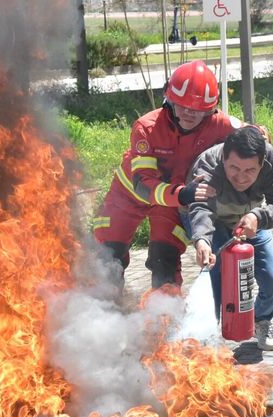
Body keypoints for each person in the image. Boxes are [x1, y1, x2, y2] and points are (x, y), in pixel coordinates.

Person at [92, 60, 239, 291]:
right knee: (107, 256)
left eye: (198, 110)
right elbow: (143, 185)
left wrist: (261, 136)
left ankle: (164, 321)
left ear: (210, 109)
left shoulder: (217, 123)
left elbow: (253, 136)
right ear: (168, 99)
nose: (190, 114)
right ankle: (106, 318)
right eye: (183, 107)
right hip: (129, 197)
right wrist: (182, 195)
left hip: (170, 202)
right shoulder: (146, 128)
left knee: (165, 261)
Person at [185, 127, 273, 351]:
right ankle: (204, 340)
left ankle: (260, 320)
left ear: (262, 164)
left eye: (249, 170)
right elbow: (200, 208)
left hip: (250, 221)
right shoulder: (207, 165)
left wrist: (258, 216)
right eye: (234, 168)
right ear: (224, 158)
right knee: (215, 277)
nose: (241, 177)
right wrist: (202, 241)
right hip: (211, 224)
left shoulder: (270, 159)